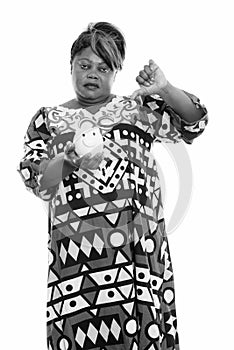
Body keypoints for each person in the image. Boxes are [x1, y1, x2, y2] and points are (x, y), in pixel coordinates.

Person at [17, 22, 208, 350]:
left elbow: (195, 122)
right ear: (71, 66)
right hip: (77, 261)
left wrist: (165, 88)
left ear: (116, 72)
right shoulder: (47, 120)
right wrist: (70, 159)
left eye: (104, 67)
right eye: (85, 65)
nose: (92, 73)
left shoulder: (137, 109)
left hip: (139, 255)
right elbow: (36, 180)